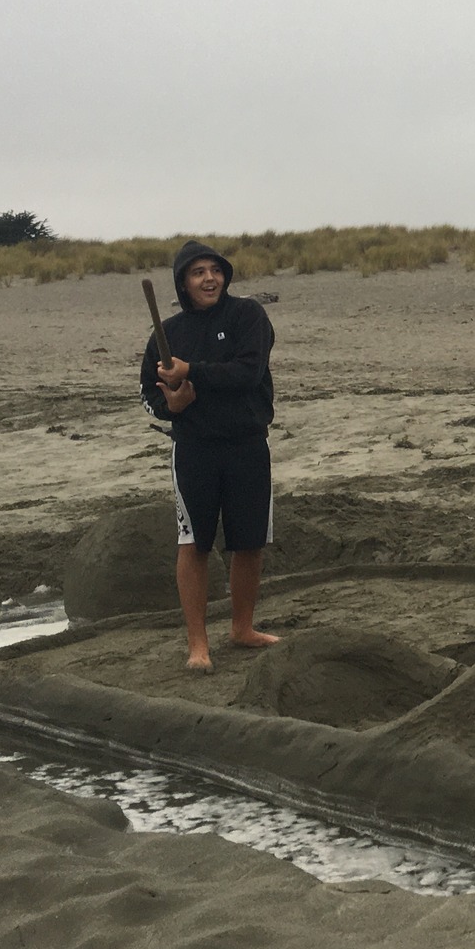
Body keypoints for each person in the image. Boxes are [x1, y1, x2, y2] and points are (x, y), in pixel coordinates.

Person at [139, 241, 281, 673]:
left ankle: (242, 628)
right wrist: (172, 406)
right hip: (194, 449)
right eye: (198, 272)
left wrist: (192, 372)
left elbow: (248, 372)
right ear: (183, 282)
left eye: (215, 270)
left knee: (249, 541)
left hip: (247, 443)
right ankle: (198, 644)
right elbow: (148, 395)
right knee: (194, 542)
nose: (209, 279)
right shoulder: (167, 333)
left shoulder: (248, 315)